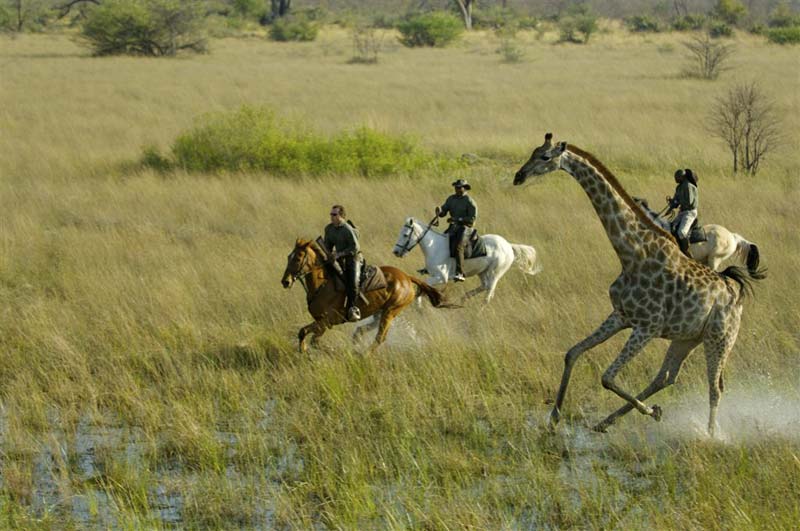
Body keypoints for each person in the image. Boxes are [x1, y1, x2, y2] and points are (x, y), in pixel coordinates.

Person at [323, 204, 363, 322]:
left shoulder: (347, 229)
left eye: (334, 214)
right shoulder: (329, 229)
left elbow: (355, 248)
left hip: (353, 258)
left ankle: (353, 309)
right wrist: (327, 254)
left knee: (352, 283)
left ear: (341, 216)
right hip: (338, 259)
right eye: (331, 214)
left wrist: (339, 254)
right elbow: (328, 246)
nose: (331, 216)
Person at [436, 179, 477, 282]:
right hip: (454, 227)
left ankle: (460, 273)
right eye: (456, 187)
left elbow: (472, 219)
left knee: (459, 247)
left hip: (466, 228)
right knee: (440, 242)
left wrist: (457, 219)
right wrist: (440, 211)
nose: (457, 189)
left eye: (459, 187)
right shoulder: (451, 199)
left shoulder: (469, 201)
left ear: (465, 188)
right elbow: (444, 212)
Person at [665, 168, 699, 258]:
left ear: (682, 177)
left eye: (677, 177)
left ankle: (686, 251)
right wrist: (672, 203)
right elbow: (676, 200)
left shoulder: (688, 186)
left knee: (681, 233)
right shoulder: (679, 187)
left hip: (689, 212)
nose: (675, 179)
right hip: (682, 212)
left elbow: (689, 202)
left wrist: (677, 202)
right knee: (670, 228)